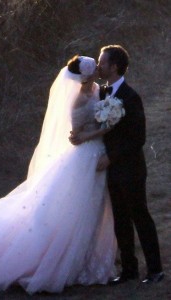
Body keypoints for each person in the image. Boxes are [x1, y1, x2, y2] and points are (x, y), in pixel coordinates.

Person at [0, 55, 116, 294]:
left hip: (96, 153)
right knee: (77, 208)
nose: (97, 72)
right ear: (87, 75)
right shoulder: (79, 99)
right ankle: (66, 262)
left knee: (94, 206)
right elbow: (77, 133)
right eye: (93, 69)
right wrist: (104, 127)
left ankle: (91, 257)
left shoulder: (95, 90)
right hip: (85, 155)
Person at [71, 45, 164, 284]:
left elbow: (137, 138)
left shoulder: (131, 97)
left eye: (102, 63)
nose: (99, 66)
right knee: (121, 221)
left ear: (114, 66)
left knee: (140, 216)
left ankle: (155, 270)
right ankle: (129, 270)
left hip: (130, 169)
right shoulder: (101, 94)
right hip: (110, 171)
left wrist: (111, 157)